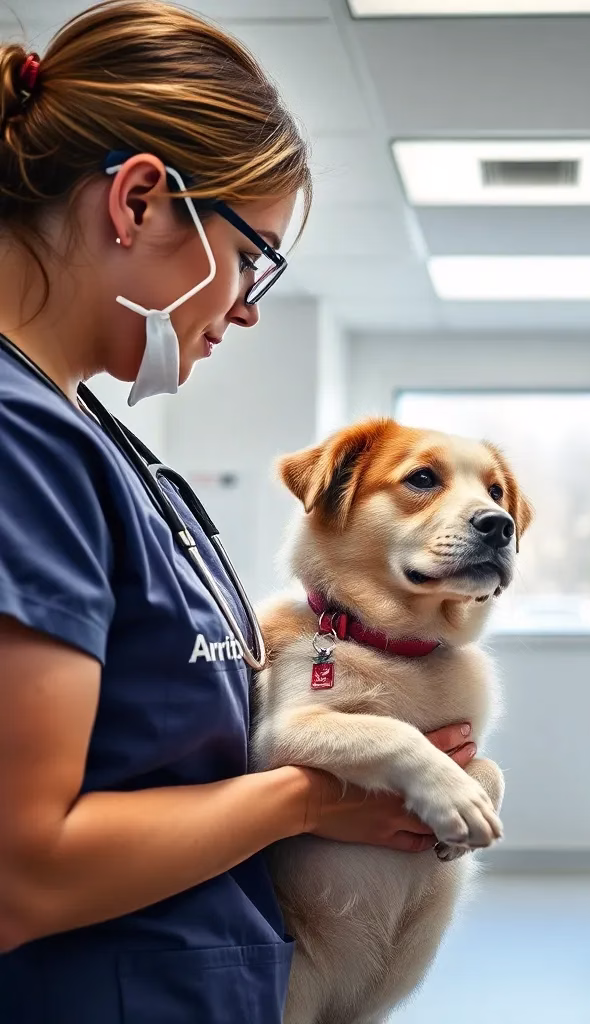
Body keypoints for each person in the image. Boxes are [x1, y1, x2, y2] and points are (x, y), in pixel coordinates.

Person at [0, 3, 479, 1021]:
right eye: (253, 254)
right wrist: (313, 795)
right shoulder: (20, 444)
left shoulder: (105, 446)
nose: (251, 304)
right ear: (137, 200)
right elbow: (21, 874)